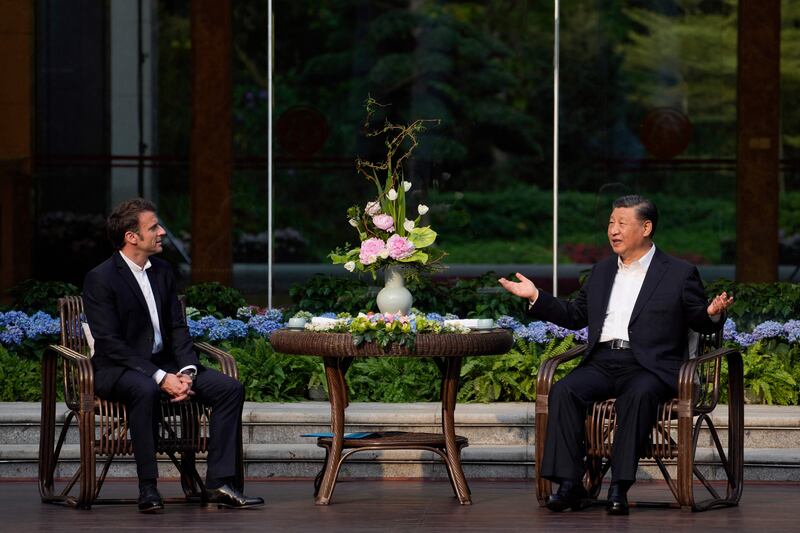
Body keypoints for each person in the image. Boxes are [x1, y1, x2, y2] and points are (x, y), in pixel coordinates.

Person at [499, 195, 733, 515]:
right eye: (611, 223)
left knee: (637, 394)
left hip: (649, 366)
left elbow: (698, 319)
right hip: (604, 360)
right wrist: (536, 296)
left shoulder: (678, 272)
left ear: (646, 227)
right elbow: (575, 315)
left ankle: (619, 486)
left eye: (622, 223)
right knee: (565, 390)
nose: (613, 230)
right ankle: (570, 485)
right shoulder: (603, 270)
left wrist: (712, 313)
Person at [83, 198, 263, 513]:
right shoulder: (101, 278)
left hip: (166, 364)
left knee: (229, 389)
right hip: (119, 369)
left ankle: (219, 483)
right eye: (154, 227)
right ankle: (148, 487)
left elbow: (178, 329)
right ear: (132, 237)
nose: (162, 232)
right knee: (145, 388)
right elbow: (109, 343)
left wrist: (187, 372)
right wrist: (161, 377)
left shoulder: (163, 271)